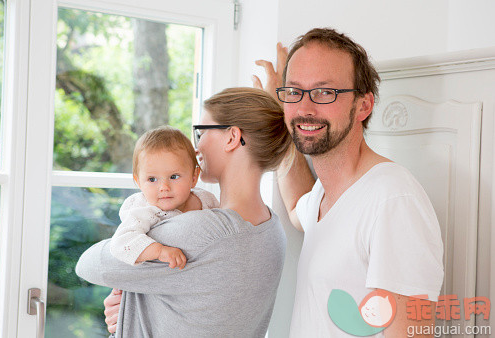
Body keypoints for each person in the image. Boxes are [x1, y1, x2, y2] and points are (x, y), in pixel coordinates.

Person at [252, 28, 444, 337]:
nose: (305, 108)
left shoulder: (393, 199)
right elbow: (295, 206)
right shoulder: (321, 195)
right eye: (294, 92)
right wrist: (281, 114)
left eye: (324, 92)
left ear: (363, 106)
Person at [75, 87, 294, 337]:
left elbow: (90, 264)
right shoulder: (272, 230)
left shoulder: (204, 230)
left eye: (201, 132)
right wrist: (130, 305)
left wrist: (128, 299)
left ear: (232, 137)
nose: (196, 146)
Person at [109, 126, 219, 268]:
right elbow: (121, 243)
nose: (164, 187)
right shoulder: (144, 210)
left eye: (174, 176)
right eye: (152, 179)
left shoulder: (207, 200)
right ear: (138, 182)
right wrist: (159, 251)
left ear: (194, 177)